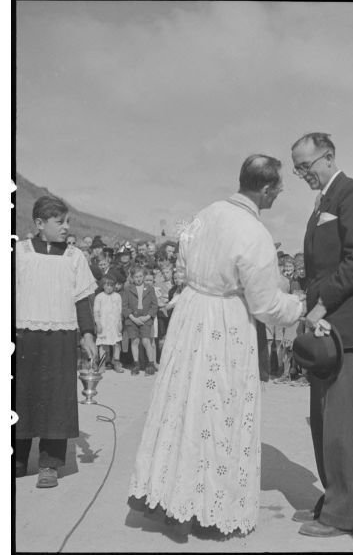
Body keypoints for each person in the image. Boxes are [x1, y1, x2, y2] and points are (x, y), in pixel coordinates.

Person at [129, 154, 304, 536]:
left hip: (191, 314)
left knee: (184, 404)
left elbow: (182, 262)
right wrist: (300, 307)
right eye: (277, 188)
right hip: (226, 322)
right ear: (264, 188)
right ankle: (211, 507)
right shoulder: (253, 233)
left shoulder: (204, 214)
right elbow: (266, 304)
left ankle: (171, 497)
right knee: (220, 409)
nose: (278, 195)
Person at [290, 132, 353, 537]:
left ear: (327, 157)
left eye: (305, 166)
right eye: (296, 169)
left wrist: (321, 305)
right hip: (325, 327)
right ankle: (334, 497)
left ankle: (345, 515)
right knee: (325, 421)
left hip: (348, 328)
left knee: (344, 424)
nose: (301, 174)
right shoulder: (322, 203)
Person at [15, 196, 97, 488]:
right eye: (59, 222)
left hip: (61, 337)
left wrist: (87, 333)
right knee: (21, 396)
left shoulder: (74, 257)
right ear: (39, 224)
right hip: (24, 336)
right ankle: (18, 457)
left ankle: (50, 464)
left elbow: (82, 301)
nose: (66, 227)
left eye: (68, 222)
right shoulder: (19, 253)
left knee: (56, 399)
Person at [122, 267, 158, 376]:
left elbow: (154, 305)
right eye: (136, 277)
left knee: (146, 340)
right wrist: (133, 318)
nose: (139, 279)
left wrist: (147, 317)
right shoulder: (128, 289)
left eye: (140, 276)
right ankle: (136, 364)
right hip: (132, 319)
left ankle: (151, 364)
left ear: (143, 277)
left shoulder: (150, 288)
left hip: (146, 318)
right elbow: (125, 306)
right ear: (132, 278)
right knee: (135, 341)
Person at [94, 275, 124, 373]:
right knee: (103, 345)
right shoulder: (99, 297)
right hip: (104, 324)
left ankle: (116, 362)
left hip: (114, 324)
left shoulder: (117, 296)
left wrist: (120, 323)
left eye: (111, 285)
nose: (109, 287)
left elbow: (119, 311)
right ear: (103, 285)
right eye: (107, 285)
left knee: (116, 344)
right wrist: (98, 323)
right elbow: (96, 312)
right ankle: (102, 364)